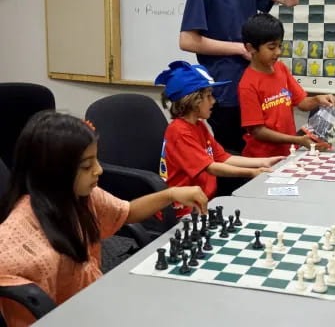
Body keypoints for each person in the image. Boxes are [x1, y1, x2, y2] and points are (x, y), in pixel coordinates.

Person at [0, 111, 208, 326]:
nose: (99, 170)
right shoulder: (17, 241)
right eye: (87, 166)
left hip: (93, 301)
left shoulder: (81, 196)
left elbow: (126, 212)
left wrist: (170, 194)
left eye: (96, 160)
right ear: (54, 171)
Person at [179, 0, 299, 154]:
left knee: (262, 154)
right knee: (237, 161)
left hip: (256, 83)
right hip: (227, 91)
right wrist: (239, 48)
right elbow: (187, 41)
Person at [155, 60, 284, 222]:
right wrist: (251, 172)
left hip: (205, 200)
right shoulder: (179, 131)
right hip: (184, 209)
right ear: (193, 100)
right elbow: (211, 168)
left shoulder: (198, 125)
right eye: (209, 96)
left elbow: (223, 157)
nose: (213, 101)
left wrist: (264, 162)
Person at [238, 13, 335, 158]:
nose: (278, 52)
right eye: (271, 48)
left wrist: (318, 99)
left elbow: (301, 102)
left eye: (280, 46)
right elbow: (258, 131)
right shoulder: (248, 84)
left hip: (288, 152)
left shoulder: (280, 68)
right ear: (250, 48)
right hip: (263, 158)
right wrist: (298, 140)